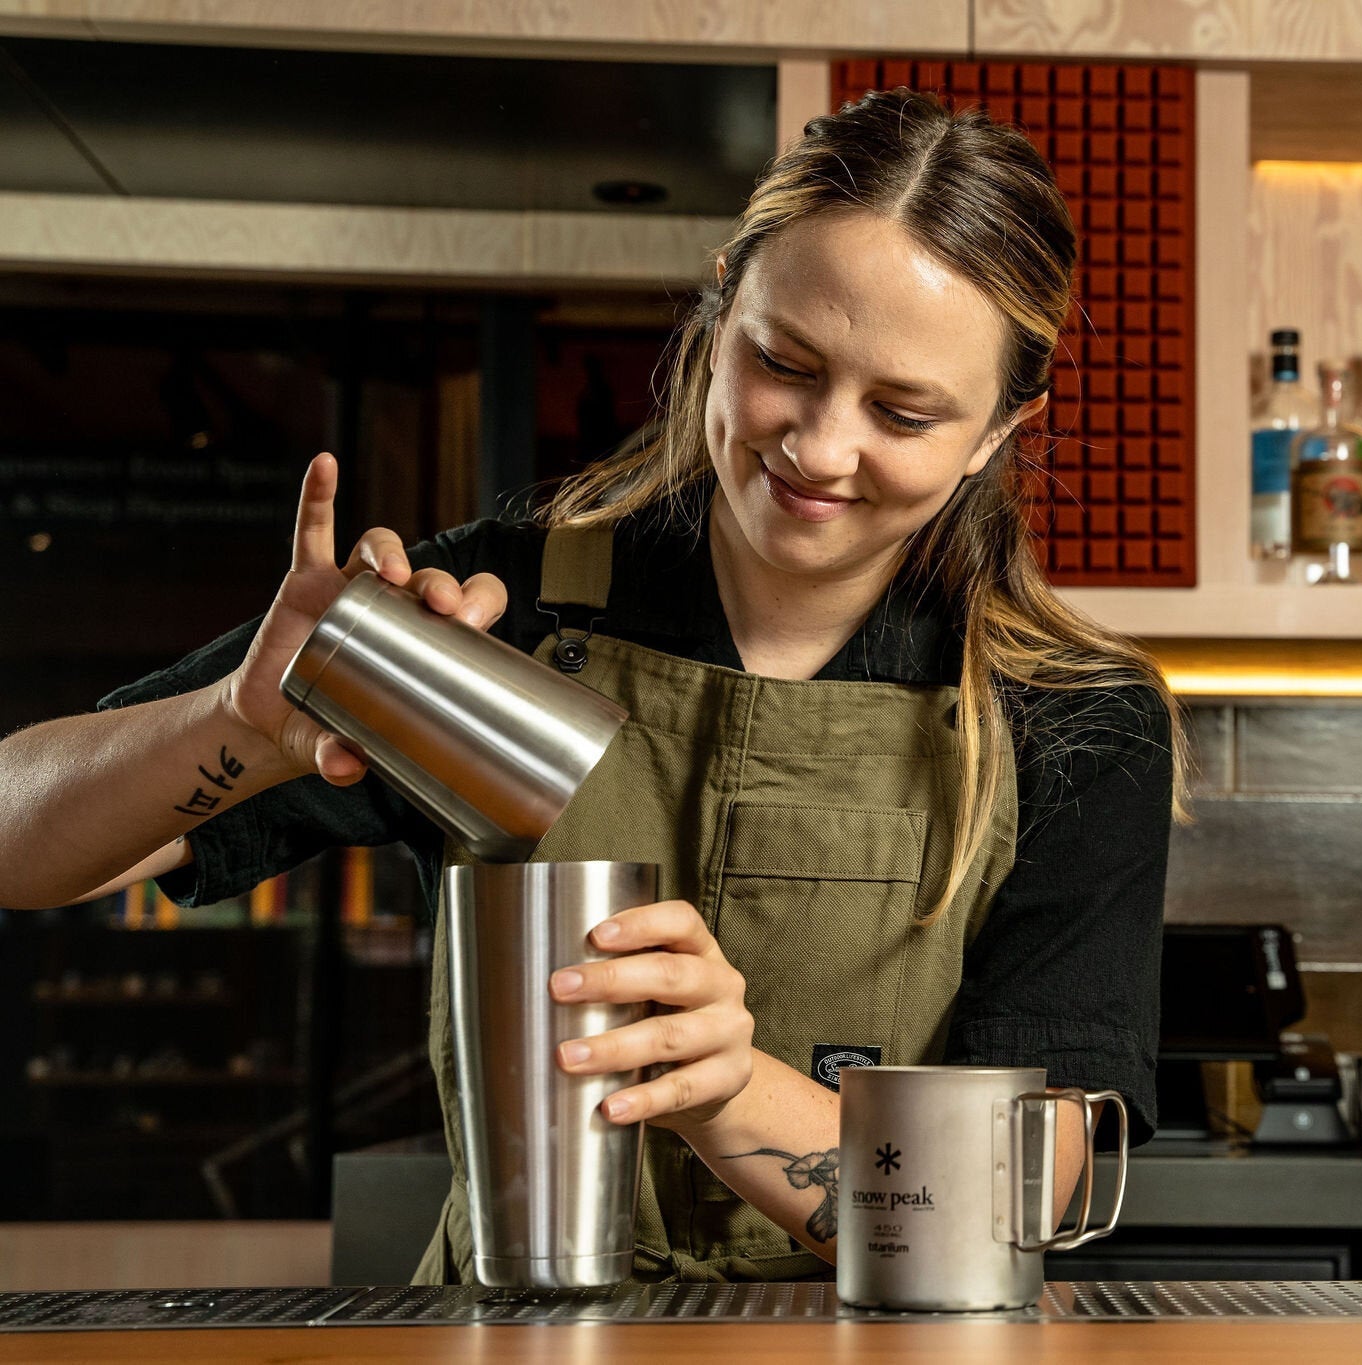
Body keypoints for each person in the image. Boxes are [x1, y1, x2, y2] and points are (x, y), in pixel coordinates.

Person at [0, 88, 1182, 1282]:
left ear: (997, 429)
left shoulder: (1069, 717)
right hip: (508, 1336)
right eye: (783, 361)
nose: (821, 448)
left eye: (903, 411)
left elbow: (1026, 1202)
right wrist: (248, 723)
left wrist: (728, 1094)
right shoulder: (493, 616)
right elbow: (16, 842)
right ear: (722, 301)